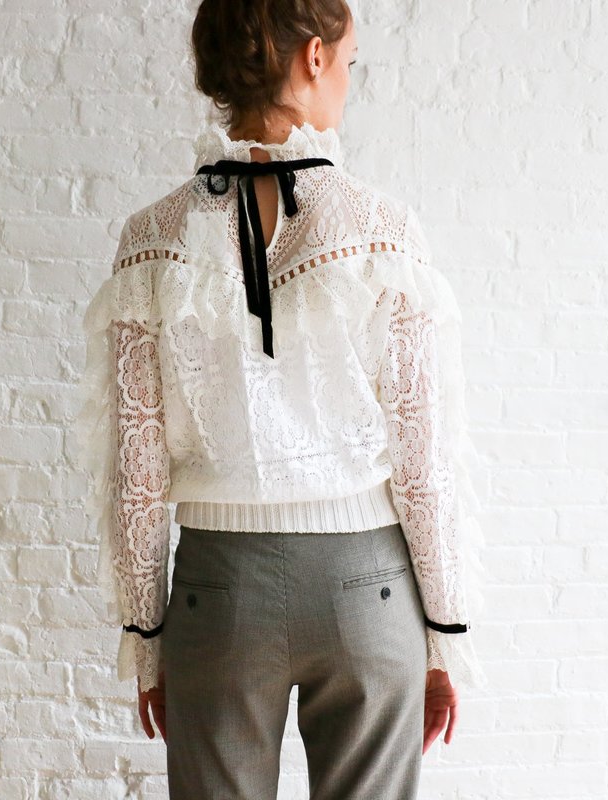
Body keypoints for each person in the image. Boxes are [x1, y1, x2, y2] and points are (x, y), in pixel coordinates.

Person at [75, 1, 488, 797]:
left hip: (219, 594)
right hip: (368, 589)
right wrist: (444, 635)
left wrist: (149, 639)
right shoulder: (384, 231)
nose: (349, 83)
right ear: (313, 57)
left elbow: (136, 473)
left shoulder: (153, 240)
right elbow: (424, 461)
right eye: (350, 62)